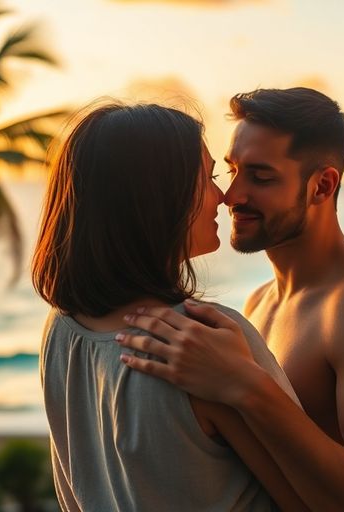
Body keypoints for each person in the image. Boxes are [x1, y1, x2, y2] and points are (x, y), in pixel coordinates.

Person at [117, 87, 344, 511]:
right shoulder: (260, 302)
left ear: (322, 186)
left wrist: (245, 385)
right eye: (233, 170)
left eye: (261, 177)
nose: (232, 196)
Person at [32, 102, 308, 511]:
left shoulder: (63, 329)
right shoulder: (201, 339)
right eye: (209, 178)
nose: (224, 197)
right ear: (157, 198)